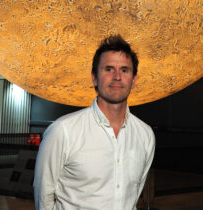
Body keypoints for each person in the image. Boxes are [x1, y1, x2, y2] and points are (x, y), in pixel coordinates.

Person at [33, 35, 155, 210]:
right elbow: (43, 196)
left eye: (125, 70)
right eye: (108, 69)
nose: (117, 77)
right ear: (94, 78)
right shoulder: (63, 131)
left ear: (134, 80)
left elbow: (133, 198)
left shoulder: (145, 135)